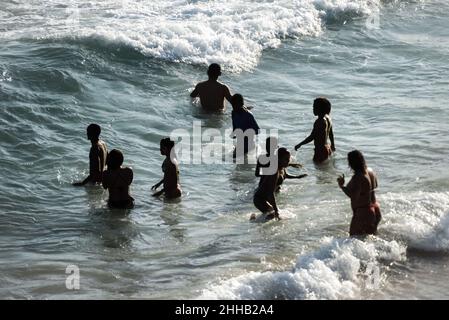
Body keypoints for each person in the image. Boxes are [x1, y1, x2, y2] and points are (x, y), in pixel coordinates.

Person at [337, 150, 381, 236]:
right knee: (371, 242)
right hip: (375, 209)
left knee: (353, 240)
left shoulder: (358, 177)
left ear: (351, 163)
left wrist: (341, 186)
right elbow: (371, 188)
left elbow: (354, 196)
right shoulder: (370, 171)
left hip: (363, 213)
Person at [251, 147, 291, 222]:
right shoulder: (274, 171)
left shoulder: (280, 168)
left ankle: (254, 218)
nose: (288, 161)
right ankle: (253, 221)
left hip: (264, 198)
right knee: (273, 214)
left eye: (289, 159)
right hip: (260, 199)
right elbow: (270, 193)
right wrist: (276, 210)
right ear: (279, 159)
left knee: (272, 215)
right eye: (286, 159)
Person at [294, 97, 335, 163]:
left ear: (319, 109)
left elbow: (312, 136)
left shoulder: (319, 122)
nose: (313, 109)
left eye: (314, 107)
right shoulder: (328, 118)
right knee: (323, 170)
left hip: (320, 151)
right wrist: (333, 145)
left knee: (318, 169)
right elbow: (331, 133)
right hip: (327, 147)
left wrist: (300, 144)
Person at [231, 94, 260, 158]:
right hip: (240, 143)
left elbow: (257, 131)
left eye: (235, 105)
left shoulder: (248, 115)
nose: (233, 107)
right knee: (236, 160)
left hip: (248, 144)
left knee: (235, 158)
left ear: (241, 104)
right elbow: (234, 124)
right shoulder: (233, 113)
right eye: (232, 105)